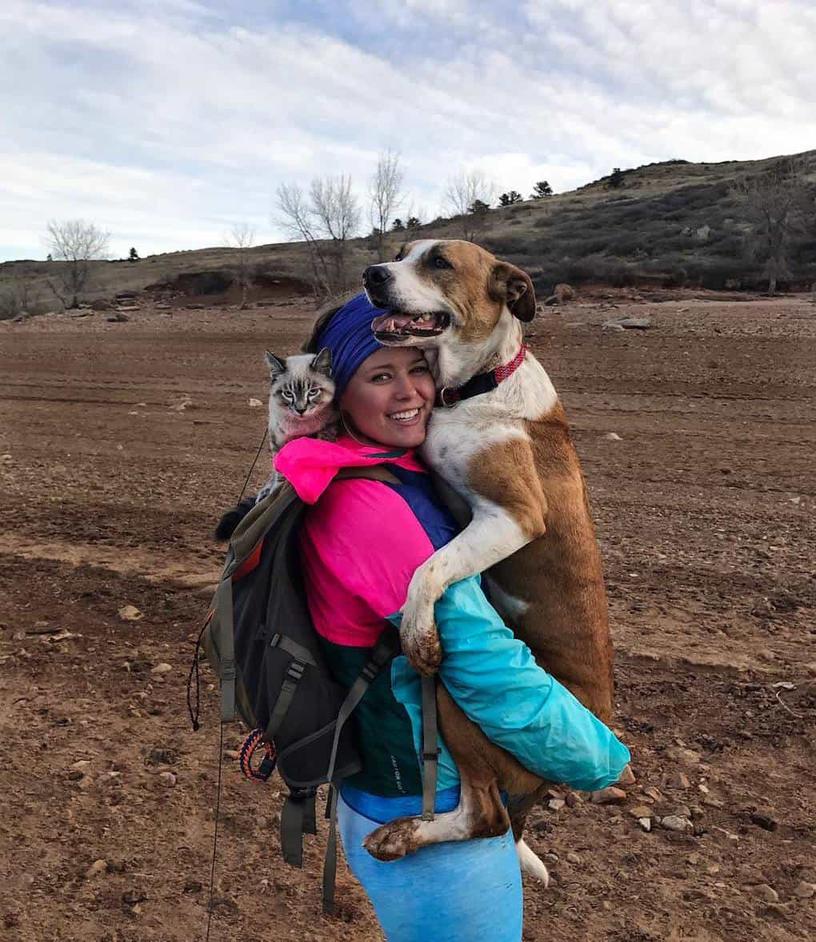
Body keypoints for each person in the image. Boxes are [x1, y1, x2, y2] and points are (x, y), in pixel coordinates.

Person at [273, 293, 630, 941]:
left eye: (420, 368)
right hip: (429, 801)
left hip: (383, 777)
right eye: (381, 376)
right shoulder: (376, 510)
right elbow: (489, 673)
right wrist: (603, 759)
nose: (412, 391)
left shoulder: (376, 470)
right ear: (333, 393)